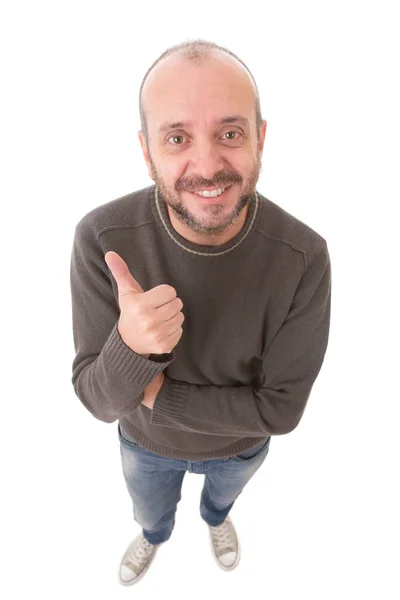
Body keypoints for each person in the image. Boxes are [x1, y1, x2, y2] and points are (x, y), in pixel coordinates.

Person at [70, 39, 331, 586]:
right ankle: (154, 537)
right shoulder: (101, 238)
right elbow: (97, 399)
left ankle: (216, 519)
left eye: (230, 134)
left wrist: (157, 394)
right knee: (150, 512)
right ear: (147, 152)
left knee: (220, 503)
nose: (207, 164)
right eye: (178, 138)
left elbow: (282, 413)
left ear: (260, 139)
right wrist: (130, 345)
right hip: (145, 447)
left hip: (238, 453)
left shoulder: (304, 256)